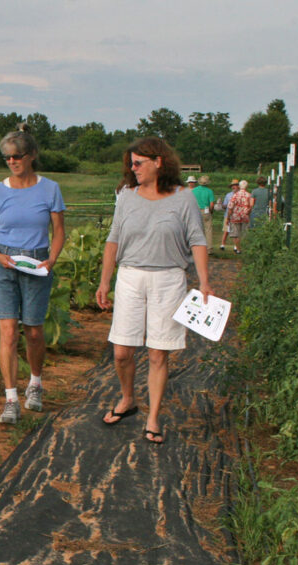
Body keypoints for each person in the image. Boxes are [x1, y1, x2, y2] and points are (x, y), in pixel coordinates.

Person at [94, 137, 213, 444]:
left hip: (168, 278)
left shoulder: (183, 198)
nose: (133, 169)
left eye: (138, 163)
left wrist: (204, 281)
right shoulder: (127, 197)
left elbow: (197, 240)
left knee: (158, 352)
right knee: (122, 352)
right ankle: (128, 398)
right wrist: (105, 281)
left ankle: (153, 417)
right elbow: (113, 240)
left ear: (158, 162)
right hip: (131, 277)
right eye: (130, 164)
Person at [0, 124, 66, 424]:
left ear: (32, 156)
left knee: (34, 330)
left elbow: (59, 231)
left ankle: (36, 383)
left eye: (17, 156)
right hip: (3, 263)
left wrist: (51, 260)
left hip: (37, 263)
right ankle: (11, 399)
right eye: (6, 158)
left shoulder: (50, 188)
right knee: (8, 330)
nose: (12, 161)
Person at [225, 180, 253, 254]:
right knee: (245, 233)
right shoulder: (249, 195)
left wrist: (228, 217)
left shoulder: (235, 195)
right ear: (247, 186)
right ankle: (245, 248)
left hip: (235, 216)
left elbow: (230, 207)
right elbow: (251, 206)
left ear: (239, 186)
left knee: (235, 234)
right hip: (245, 216)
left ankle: (238, 249)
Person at [189, 175, 216, 253]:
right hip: (206, 210)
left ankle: (196, 248)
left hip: (196, 211)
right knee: (208, 229)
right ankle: (209, 249)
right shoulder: (209, 191)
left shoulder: (194, 190)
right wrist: (211, 211)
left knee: (197, 230)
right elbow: (211, 204)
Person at [218, 179, 239, 250]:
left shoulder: (240, 195)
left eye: (235, 185)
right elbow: (225, 206)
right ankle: (222, 245)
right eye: (232, 186)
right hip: (227, 215)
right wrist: (221, 204)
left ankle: (236, 246)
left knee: (236, 232)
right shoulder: (228, 195)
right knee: (226, 231)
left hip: (236, 216)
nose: (233, 187)